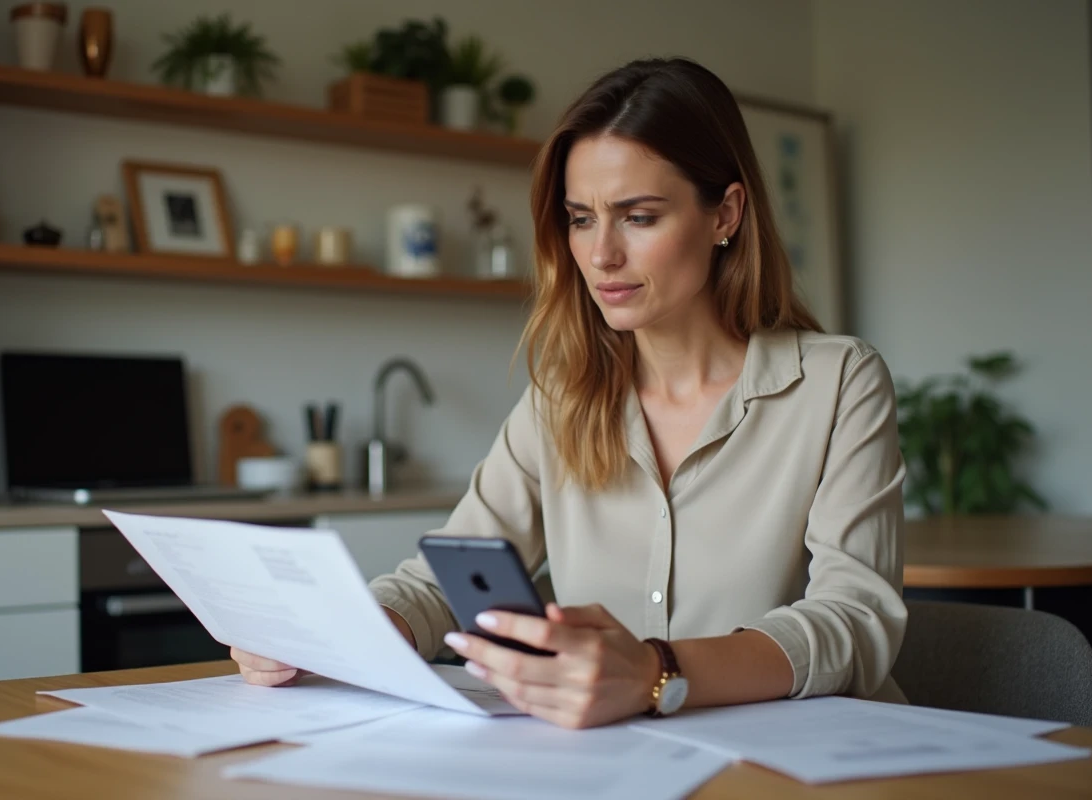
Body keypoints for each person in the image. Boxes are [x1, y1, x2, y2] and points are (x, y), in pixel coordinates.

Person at [233, 57, 907, 729]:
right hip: (612, 766)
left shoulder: (837, 381)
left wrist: (654, 673)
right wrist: (331, 637)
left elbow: (857, 618)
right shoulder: (562, 398)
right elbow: (438, 583)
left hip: (804, 763)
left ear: (725, 214)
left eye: (638, 218)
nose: (601, 254)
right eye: (581, 219)